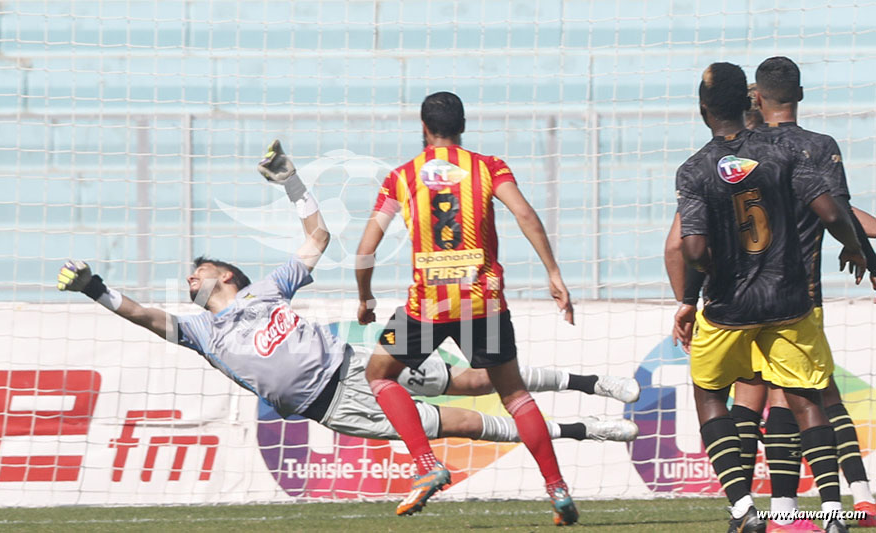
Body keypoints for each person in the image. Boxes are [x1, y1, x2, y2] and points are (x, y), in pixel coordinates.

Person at [57, 141, 639, 486]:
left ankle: (590, 384)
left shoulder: (266, 290)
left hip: (356, 360)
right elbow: (141, 315)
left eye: (198, 270)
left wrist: (292, 182)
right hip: (333, 404)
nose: (189, 278)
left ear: (226, 276)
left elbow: (319, 233)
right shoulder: (199, 332)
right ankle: (587, 431)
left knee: (475, 379)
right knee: (463, 423)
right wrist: (95, 288)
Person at [666, 60, 876, 531]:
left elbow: (692, 248)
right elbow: (830, 209)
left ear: (702, 111)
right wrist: (858, 250)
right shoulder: (786, 152)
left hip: (729, 307)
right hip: (790, 299)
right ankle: (833, 510)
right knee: (806, 396)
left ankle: (744, 507)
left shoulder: (694, 170)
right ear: (749, 102)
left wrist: (695, 289)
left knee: (712, 394)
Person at [354, 91, 580, 524]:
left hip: (427, 306)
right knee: (513, 394)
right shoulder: (488, 167)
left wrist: (365, 299)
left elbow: (365, 251)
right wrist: (553, 272)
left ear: (424, 128)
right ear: (463, 126)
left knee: (379, 375)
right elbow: (526, 215)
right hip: (484, 302)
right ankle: (557, 490)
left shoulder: (401, 177)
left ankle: (426, 466)